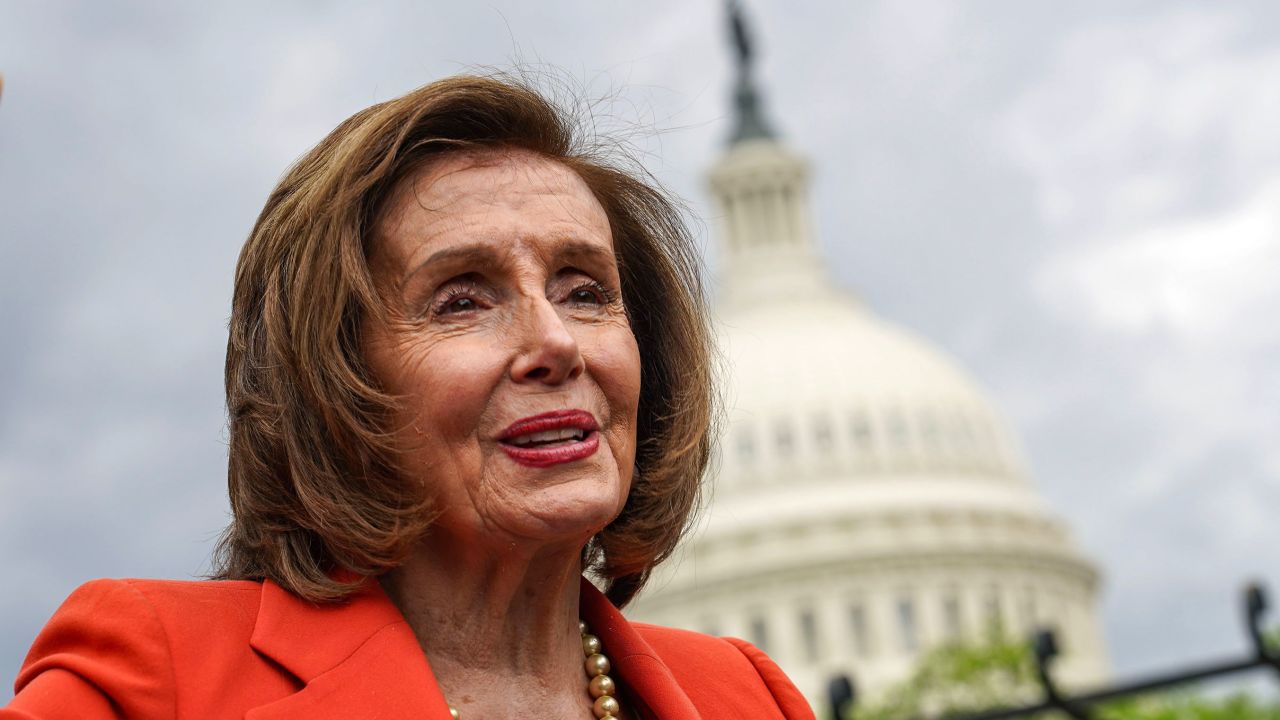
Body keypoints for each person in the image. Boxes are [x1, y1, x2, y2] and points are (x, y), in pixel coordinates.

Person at [2, 75, 813, 719]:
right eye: (462, 300)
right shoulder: (157, 679)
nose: (555, 343)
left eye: (585, 291)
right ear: (335, 384)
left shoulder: (748, 696)